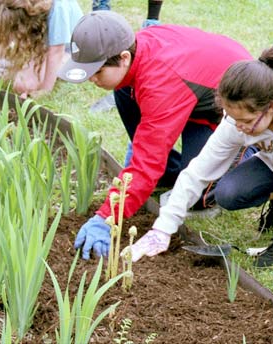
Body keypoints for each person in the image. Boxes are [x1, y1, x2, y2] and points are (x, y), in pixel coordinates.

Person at [56, 11, 253, 260]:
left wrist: (106, 217)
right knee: (123, 90)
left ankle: (252, 155)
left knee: (199, 196)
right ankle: (171, 171)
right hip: (195, 92)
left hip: (229, 108)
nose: (92, 80)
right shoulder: (134, 49)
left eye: (97, 72)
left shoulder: (160, 84)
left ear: (124, 57)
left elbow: (146, 164)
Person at [127, 46, 273, 267]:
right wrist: (163, 229)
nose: (239, 127)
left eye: (247, 122)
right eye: (235, 119)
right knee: (227, 194)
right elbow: (197, 172)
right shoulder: (236, 123)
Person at [0, 0, 82, 97]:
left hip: (70, 50)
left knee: (24, 85)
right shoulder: (19, 7)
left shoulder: (58, 8)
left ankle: (8, 64)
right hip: (42, 42)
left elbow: (56, 52)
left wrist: (45, 90)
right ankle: (4, 62)